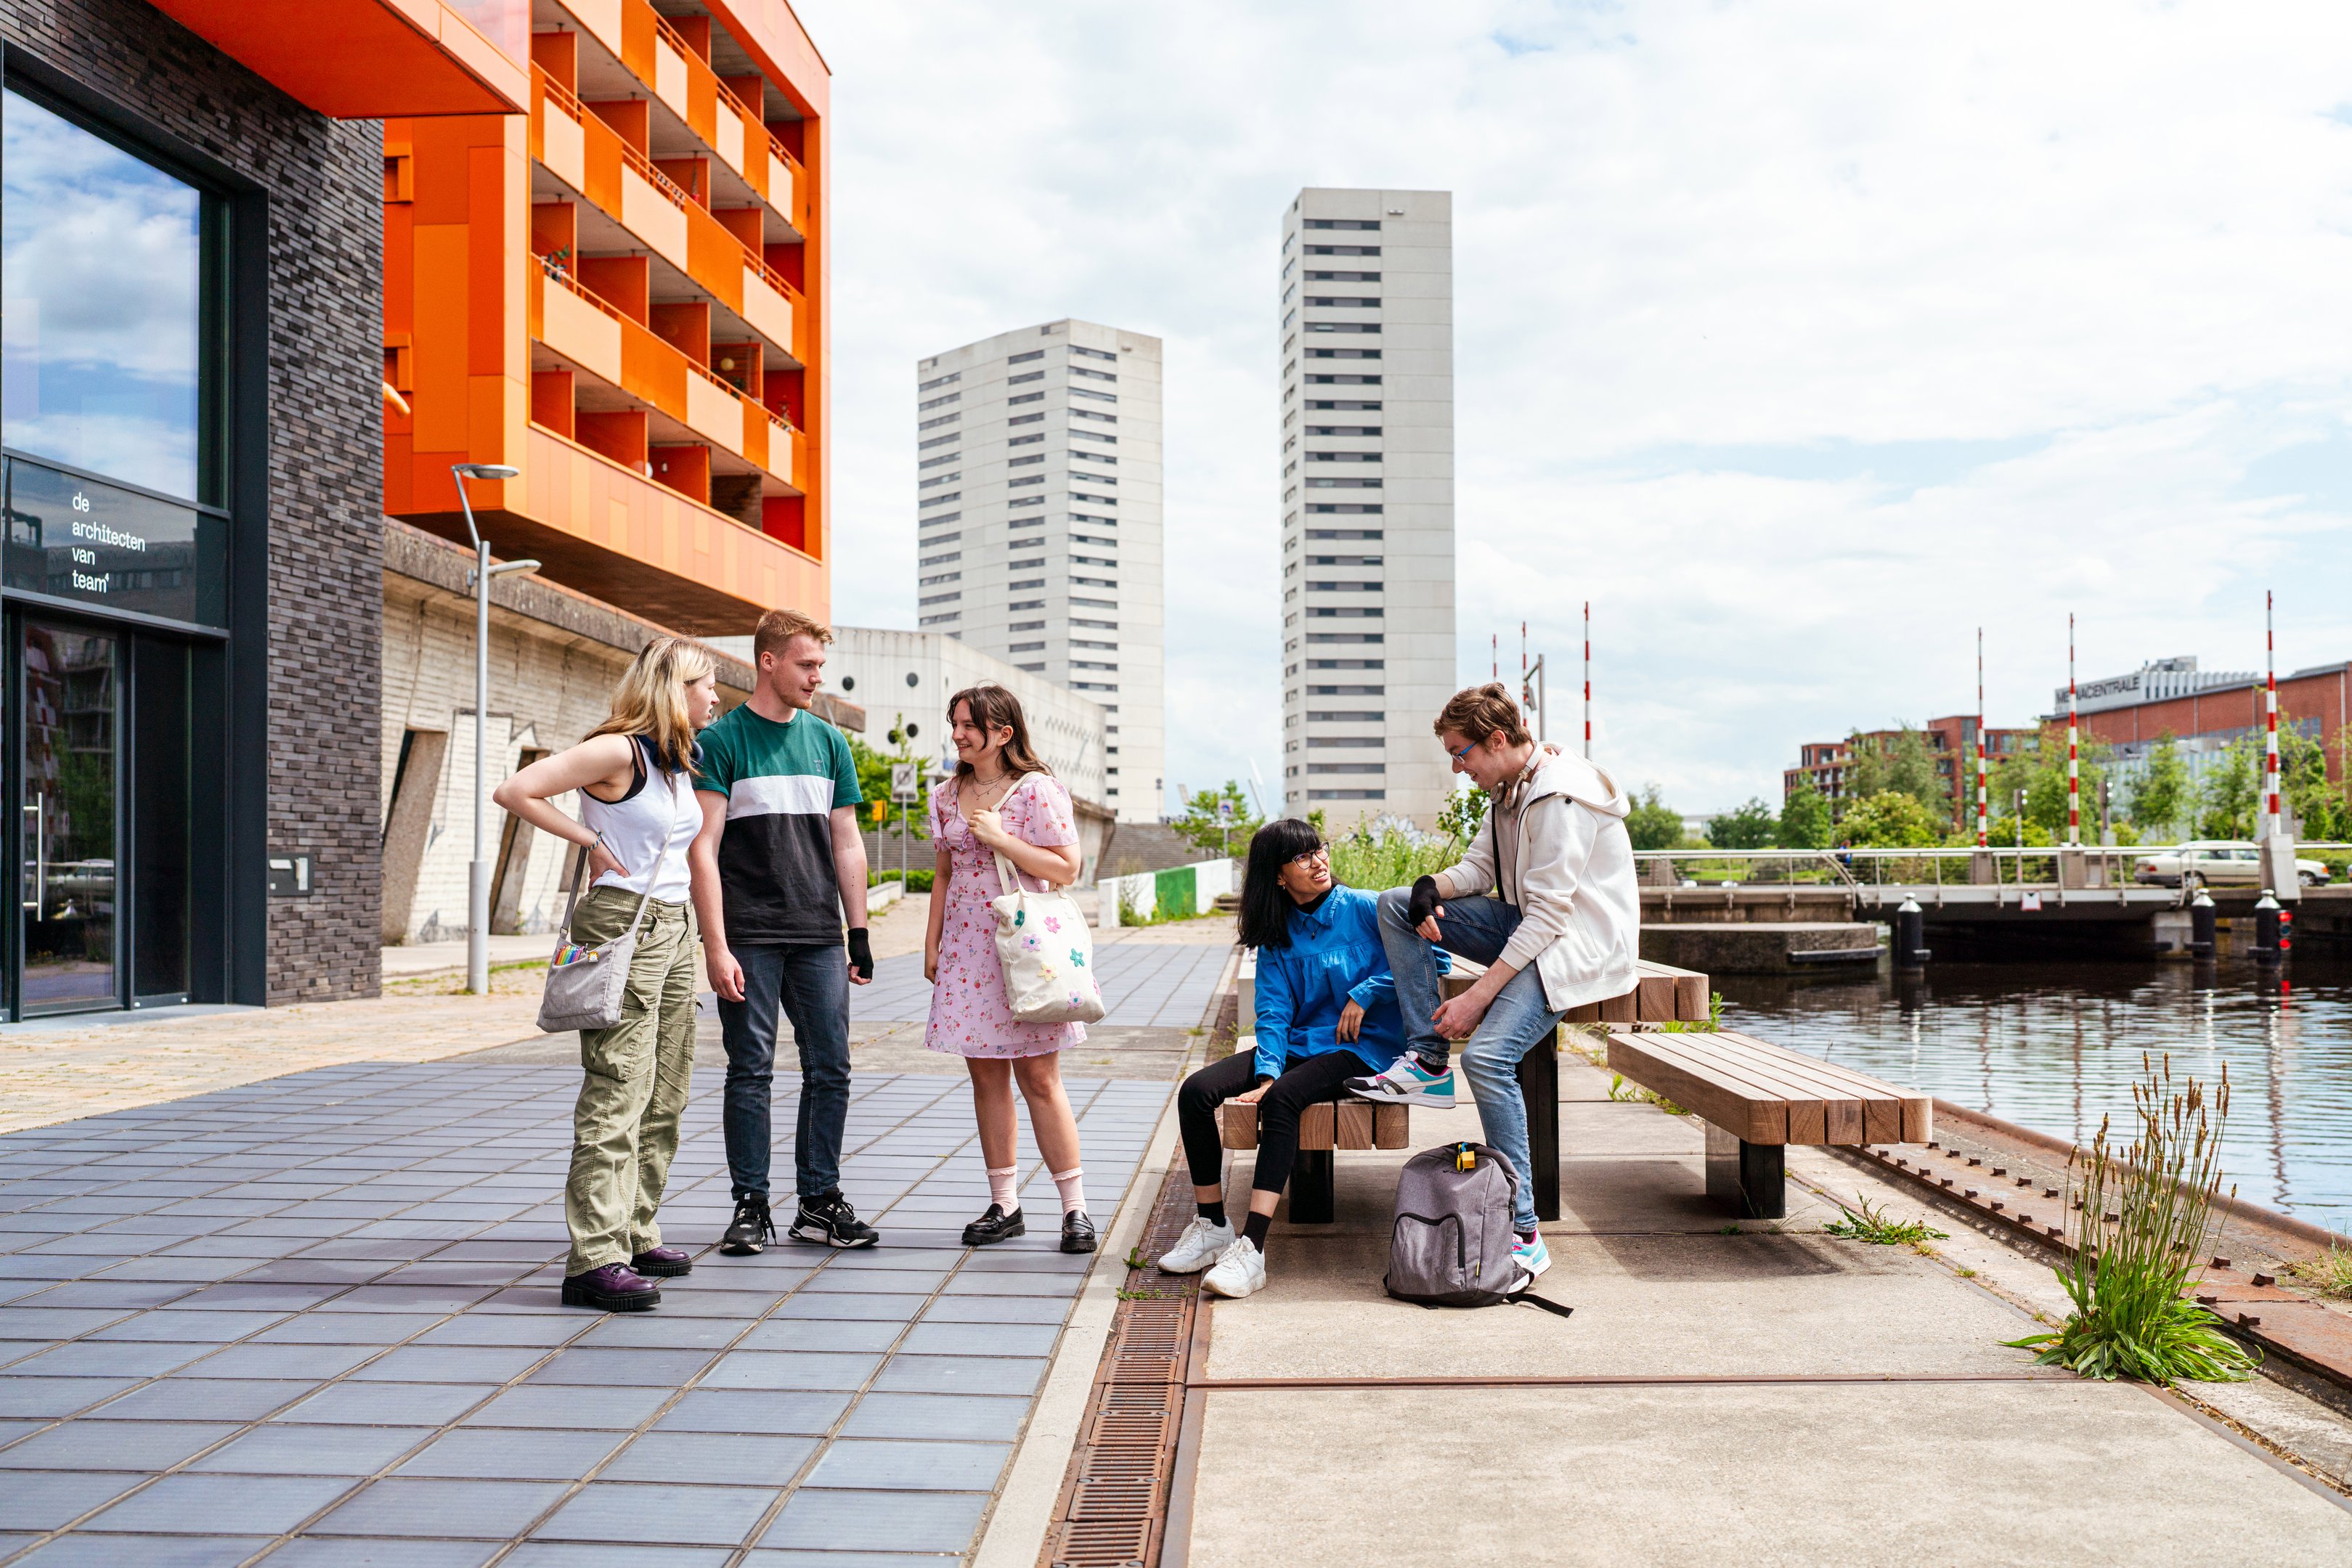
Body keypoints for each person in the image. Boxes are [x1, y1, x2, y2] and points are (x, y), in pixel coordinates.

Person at [1346, 684, 1638, 1281]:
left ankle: (1525, 1234)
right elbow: (1481, 868)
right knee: (1396, 904)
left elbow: (1550, 916)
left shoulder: (1560, 799)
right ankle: (1426, 1060)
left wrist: (1478, 997)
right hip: (1531, 928)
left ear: (1497, 740)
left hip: (1576, 944)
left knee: (1484, 1060)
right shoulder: (1508, 789)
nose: (1458, 767)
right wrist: (1434, 886)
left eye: (1462, 754)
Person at [492, 637, 719, 1312]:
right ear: (673, 687)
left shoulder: (676, 758)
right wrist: (590, 841)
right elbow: (516, 789)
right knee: (618, 1086)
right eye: (705, 683)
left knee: (666, 1089)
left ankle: (635, 1229)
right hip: (627, 921)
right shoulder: (618, 750)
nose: (714, 696)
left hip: (674, 926)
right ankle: (593, 1258)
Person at [1159, 817, 1424, 1300]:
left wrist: (1365, 993)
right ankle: (1212, 1225)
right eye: (1301, 856)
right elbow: (1274, 1011)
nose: (1318, 861)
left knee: (1282, 1101)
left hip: (1365, 1048)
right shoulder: (1277, 931)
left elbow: (1433, 961)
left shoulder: (1366, 908)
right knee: (1196, 1092)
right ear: (1277, 875)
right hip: (1305, 1044)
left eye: (1318, 849)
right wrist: (1265, 1070)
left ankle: (1252, 1251)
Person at [691, 608, 878, 1254]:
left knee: (832, 1068)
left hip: (820, 935)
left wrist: (858, 933)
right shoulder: (720, 742)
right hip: (748, 933)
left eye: (820, 666)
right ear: (767, 662)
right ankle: (751, 1205)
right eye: (806, 664)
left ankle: (818, 1201)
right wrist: (714, 945)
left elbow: (847, 843)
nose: (816, 677)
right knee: (751, 1069)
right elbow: (703, 848)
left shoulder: (828, 741)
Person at [922, 685, 1097, 1254]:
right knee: (985, 1078)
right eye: (954, 723)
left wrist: (1002, 838)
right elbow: (943, 874)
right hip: (967, 952)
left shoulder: (1036, 790)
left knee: (1040, 1079)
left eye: (968, 725)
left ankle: (1074, 1209)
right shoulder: (946, 794)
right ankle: (1005, 1204)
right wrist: (933, 944)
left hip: (1025, 950)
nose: (957, 734)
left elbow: (1066, 868)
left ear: (1003, 732)